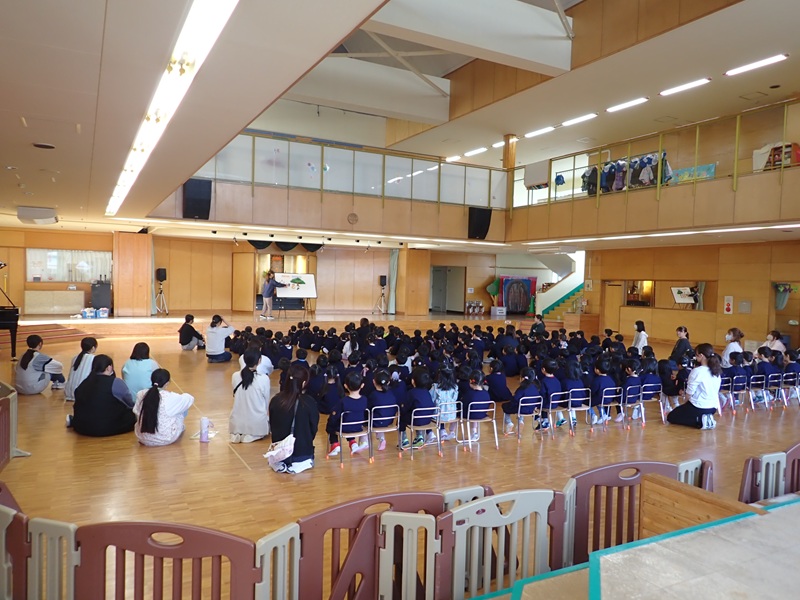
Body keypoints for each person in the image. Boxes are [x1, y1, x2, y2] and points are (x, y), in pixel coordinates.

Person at [268, 363, 320, 474]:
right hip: (302, 452)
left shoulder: (276, 400)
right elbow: (313, 428)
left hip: (279, 452)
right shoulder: (309, 402)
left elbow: (272, 425)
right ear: (304, 383)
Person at [71, 355, 136, 437]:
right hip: (106, 427)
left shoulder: (85, 382)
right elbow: (129, 403)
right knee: (132, 415)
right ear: (109, 367)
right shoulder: (115, 382)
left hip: (81, 427)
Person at [133, 369, 194, 446]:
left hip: (143, 438)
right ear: (167, 383)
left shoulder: (141, 394)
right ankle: (179, 427)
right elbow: (190, 399)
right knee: (180, 409)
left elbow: (136, 412)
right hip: (165, 439)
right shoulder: (170, 397)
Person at [667, 343, 721, 430]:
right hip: (713, 407)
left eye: (696, 355)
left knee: (671, 417)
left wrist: (685, 404)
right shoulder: (716, 371)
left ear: (701, 356)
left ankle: (700, 421)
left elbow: (689, 392)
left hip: (699, 406)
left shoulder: (697, 371)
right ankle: (705, 418)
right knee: (682, 412)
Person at [229, 350, 271, 443]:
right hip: (256, 422)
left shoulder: (235, 376)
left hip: (236, 421)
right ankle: (251, 436)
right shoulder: (264, 378)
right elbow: (266, 400)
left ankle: (236, 434)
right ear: (259, 361)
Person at [65, 337, 98, 401]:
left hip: (68, 393)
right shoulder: (94, 358)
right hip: (81, 394)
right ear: (93, 348)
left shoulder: (75, 358)